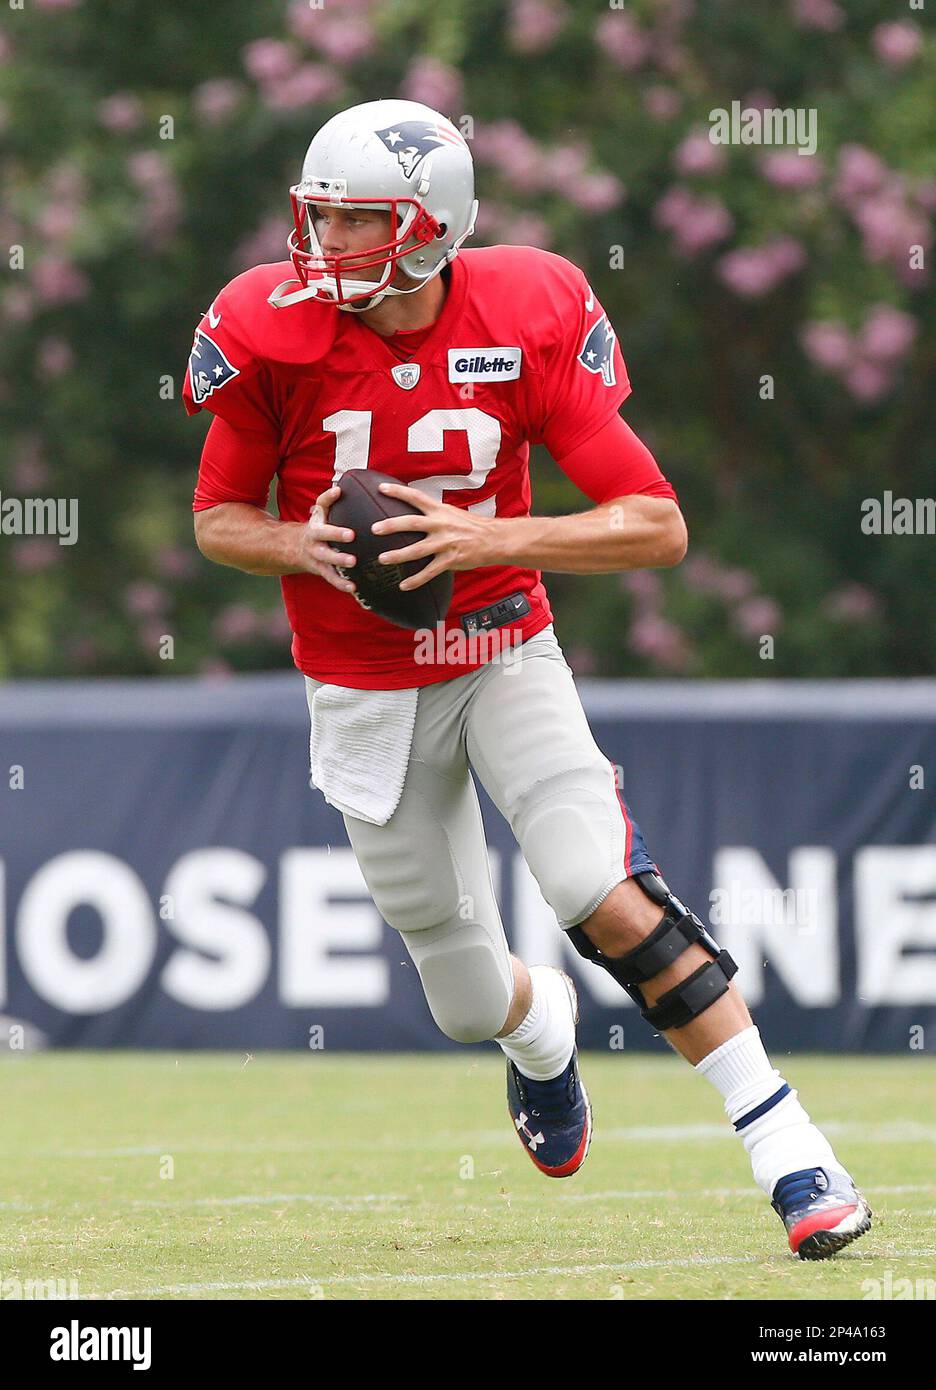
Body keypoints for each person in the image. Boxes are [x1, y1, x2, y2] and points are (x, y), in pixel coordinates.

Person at [184, 97, 870, 1260]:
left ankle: (793, 1151)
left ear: (431, 226)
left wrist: (485, 542)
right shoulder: (270, 326)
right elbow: (217, 520)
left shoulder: (527, 308)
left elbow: (655, 524)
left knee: (599, 888)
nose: (327, 242)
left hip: (500, 649)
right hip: (360, 687)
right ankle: (543, 1036)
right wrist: (302, 545)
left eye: (359, 220)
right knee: (462, 999)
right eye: (324, 215)